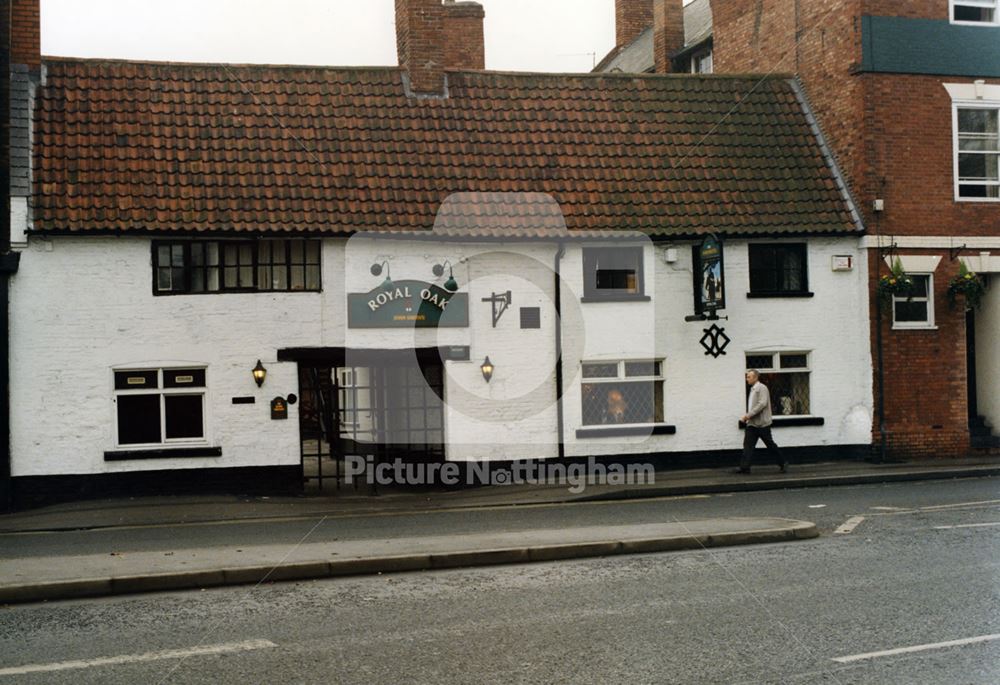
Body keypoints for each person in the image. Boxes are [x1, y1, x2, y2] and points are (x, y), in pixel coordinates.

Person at [737, 369, 787, 474]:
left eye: (749, 377)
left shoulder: (762, 388)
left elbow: (762, 404)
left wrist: (747, 416)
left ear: (755, 377)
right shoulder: (753, 389)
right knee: (748, 445)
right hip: (752, 424)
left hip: (762, 424)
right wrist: (749, 418)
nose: (747, 379)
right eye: (747, 377)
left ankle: (783, 462)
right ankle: (745, 467)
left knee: (770, 445)